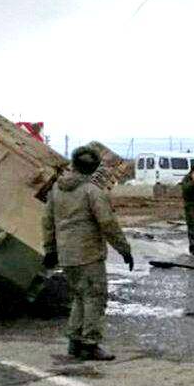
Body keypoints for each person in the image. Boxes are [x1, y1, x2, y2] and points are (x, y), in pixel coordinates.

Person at [43, 146, 134, 361]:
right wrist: (124, 250)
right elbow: (108, 224)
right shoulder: (92, 192)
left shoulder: (57, 189)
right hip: (88, 254)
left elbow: (47, 221)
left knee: (79, 296)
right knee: (95, 297)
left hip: (67, 255)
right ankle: (91, 343)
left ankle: (74, 341)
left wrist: (50, 249)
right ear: (93, 169)